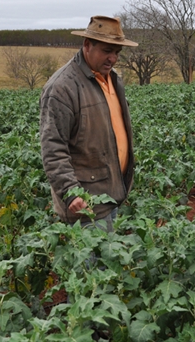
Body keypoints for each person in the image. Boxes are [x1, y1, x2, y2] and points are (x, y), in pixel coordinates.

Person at [39, 15, 138, 232]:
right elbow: (53, 147)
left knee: (108, 262)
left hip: (111, 192)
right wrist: (70, 191)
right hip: (86, 204)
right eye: (106, 50)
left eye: (117, 53)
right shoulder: (62, 88)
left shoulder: (112, 79)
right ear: (87, 45)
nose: (113, 58)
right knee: (94, 266)